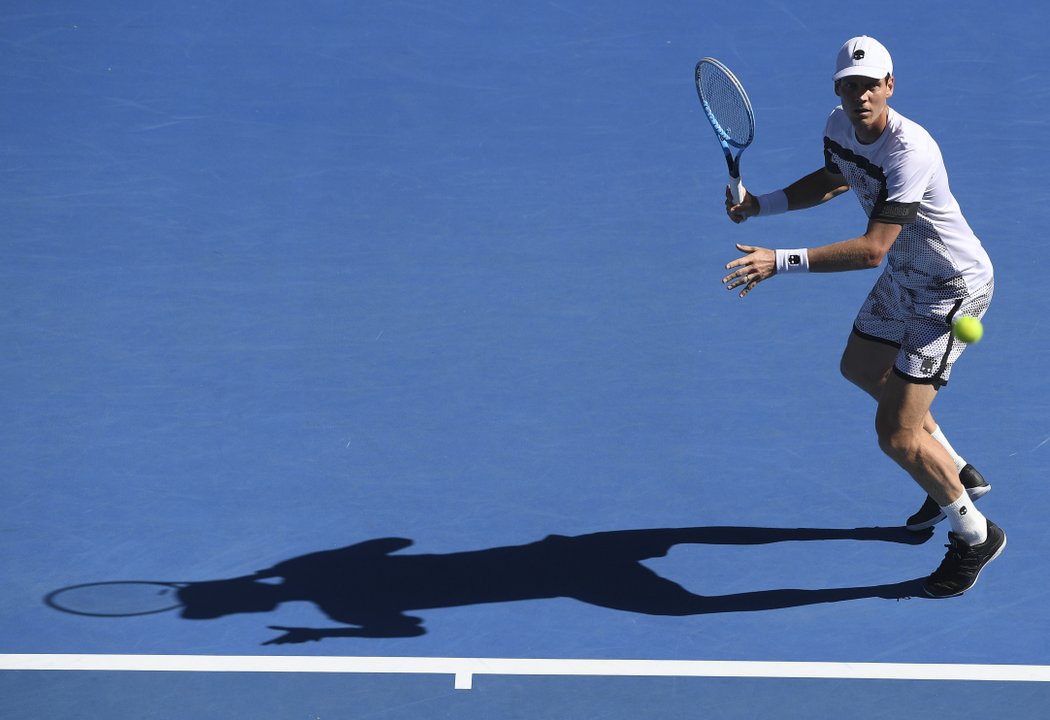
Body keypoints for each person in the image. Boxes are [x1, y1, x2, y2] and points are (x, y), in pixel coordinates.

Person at [720, 36, 1004, 598]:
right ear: (838, 91)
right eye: (849, 86)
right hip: (907, 274)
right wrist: (761, 204)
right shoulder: (838, 126)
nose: (860, 96)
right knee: (860, 364)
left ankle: (975, 534)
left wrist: (780, 260)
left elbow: (873, 247)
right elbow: (833, 181)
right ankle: (953, 468)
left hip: (950, 290)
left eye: (870, 84)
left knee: (896, 436)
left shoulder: (910, 151)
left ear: (890, 86)